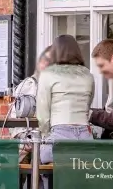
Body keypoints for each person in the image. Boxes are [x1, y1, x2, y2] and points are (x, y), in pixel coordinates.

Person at [36, 35, 95, 163]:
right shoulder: (88, 75)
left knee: (44, 167)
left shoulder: (47, 74)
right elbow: (88, 105)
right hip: (85, 135)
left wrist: (45, 136)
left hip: (59, 134)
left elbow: (43, 114)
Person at [8, 47, 53, 119]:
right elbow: (16, 118)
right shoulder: (29, 84)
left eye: (50, 61)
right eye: (44, 59)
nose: (45, 63)